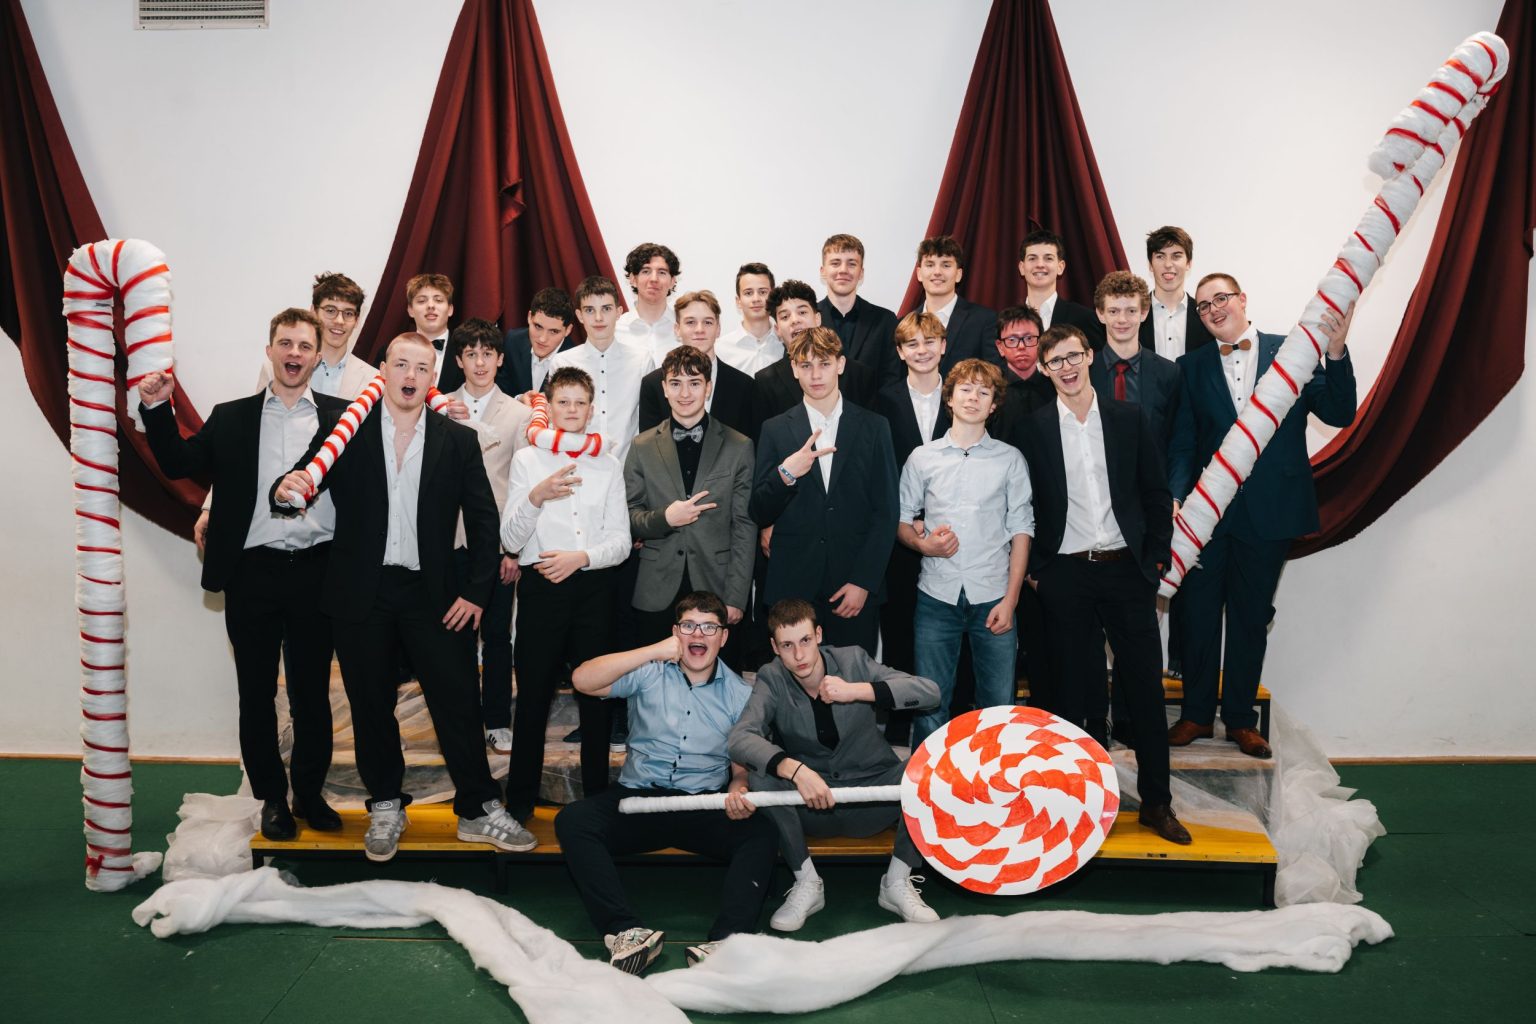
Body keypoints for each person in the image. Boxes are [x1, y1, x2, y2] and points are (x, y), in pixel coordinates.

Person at [272, 332, 523, 860]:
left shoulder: (457, 440)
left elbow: (485, 523)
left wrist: (476, 594)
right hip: (362, 592)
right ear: (383, 370)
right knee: (370, 705)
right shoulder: (345, 429)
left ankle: (478, 809)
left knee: (458, 701)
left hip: (435, 594)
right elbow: (304, 479)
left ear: (432, 379)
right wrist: (285, 488)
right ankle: (386, 805)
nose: (410, 375)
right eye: (401, 364)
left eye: (422, 367)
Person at [141, 308, 349, 841]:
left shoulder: (343, 418)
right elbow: (178, 462)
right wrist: (157, 406)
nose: (295, 353)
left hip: (316, 573)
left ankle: (308, 794)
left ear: (317, 356)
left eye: (305, 346)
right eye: (286, 343)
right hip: (251, 575)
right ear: (270, 350)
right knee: (256, 695)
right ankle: (271, 799)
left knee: (311, 695)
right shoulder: (231, 417)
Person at [1167, 274, 1357, 759]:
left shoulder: (1291, 352)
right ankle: (1195, 715)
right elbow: (1184, 441)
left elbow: (1339, 413)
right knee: (1197, 615)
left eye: (1221, 298)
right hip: (1208, 516)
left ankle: (1239, 720)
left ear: (1242, 300)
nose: (1213, 309)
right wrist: (1177, 498)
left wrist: (1336, 351)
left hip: (1270, 512)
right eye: (1204, 304)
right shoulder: (1190, 366)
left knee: (1250, 618)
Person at [1016, 324, 1190, 845]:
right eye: (1055, 361)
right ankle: (1082, 805)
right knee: (1073, 694)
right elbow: (1023, 503)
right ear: (1044, 370)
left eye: (1073, 356)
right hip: (1065, 574)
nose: (1066, 368)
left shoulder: (1127, 418)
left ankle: (1157, 803)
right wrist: (1039, 571)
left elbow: (1155, 493)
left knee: (1145, 690)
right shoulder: (1032, 429)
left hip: (1126, 570)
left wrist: (1154, 559)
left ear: (1090, 356)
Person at [556, 592, 777, 974]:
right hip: (639, 799)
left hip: (702, 804)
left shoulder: (741, 694)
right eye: (689, 625)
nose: (698, 634)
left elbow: (740, 766)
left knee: (762, 834)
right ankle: (625, 933)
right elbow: (582, 680)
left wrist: (738, 786)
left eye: (709, 627)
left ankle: (726, 944)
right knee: (573, 821)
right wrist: (653, 651)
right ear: (676, 632)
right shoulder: (650, 671)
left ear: (723, 637)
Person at [729, 598, 942, 931]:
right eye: (787, 645)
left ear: (818, 635)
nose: (799, 655)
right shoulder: (772, 677)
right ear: (775, 648)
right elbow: (740, 738)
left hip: (874, 798)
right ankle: (807, 883)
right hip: (815, 803)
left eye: (805, 640)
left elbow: (930, 693)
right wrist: (796, 770)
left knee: (929, 769)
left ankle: (896, 881)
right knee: (762, 775)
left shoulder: (852, 659)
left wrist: (858, 691)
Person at [499, 366, 632, 823]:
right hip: (541, 590)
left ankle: (596, 802)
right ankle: (519, 804)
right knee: (533, 698)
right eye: (563, 402)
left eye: (580, 402)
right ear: (550, 407)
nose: (572, 410)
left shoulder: (608, 464)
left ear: (591, 409)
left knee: (596, 700)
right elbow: (510, 540)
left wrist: (582, 557)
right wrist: (536, 497)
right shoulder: (527, 460)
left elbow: (620, 541)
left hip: (594, 589)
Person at [900, 359, 1033, 747]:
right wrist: (923, 544)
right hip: (936, 596)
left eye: (983, 391)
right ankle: (929, 782)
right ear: (950, 398)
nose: (973, 397)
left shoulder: (1010, 459)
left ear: (994, 405)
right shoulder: (922, 457)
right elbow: (901, 520)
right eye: (966, 389)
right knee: (930, 704)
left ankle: (994, 779)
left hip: (993, 596)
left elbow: (1022, 531)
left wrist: (1011, 601)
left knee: (998, 705)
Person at [751, 327, 898, 655]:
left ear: (840, 364)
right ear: (794, 369)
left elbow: (887, 511)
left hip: (853, 585)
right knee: (794, 683)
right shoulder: (775, 429)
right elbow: (758, 510)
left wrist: (864, 581)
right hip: (792, 587)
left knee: (852, 679)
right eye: (806, 365)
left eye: (824, 363)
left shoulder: (875, 426)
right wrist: (786, 473)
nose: (815, 375)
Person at [440, 318, 534, 753]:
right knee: (453, 636)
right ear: (459, 361)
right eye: (470, 354)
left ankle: (497, 720)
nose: (479, 362)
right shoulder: (439, 407)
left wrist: (513, 549)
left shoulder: (519, 414)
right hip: (449, 538)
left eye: (487, 354)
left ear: (499, 359)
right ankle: (460, 722)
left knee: (497, 635)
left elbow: (521, 485)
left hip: (497, 542)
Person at [626, 345, 756, 647]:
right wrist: (666, 518)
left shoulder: (739, 446)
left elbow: (744, 526)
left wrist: (736, 596)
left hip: (716, 586)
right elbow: (629, 516)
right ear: (664, 388)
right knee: (654, 672)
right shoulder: (641, 446)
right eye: (676, 383)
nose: (685, 393)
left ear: (708, 388)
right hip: (656, 589)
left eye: (694, 383)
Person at [877, 312, 952, 680]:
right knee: (899, 626)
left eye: (929, 341)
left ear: (943, 346)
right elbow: (879, 468)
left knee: (952, 629)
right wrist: (905, 519)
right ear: (900, 351)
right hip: (898, 534)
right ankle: (901, 706)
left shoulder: (962, 395)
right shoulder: (881, 401)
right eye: (912, 343)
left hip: (953, 530)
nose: (921, 350)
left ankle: (958, 706)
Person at [750, 280, 877, 434]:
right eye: (785, 316)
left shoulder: (859, 375)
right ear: (777, 330)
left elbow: (871, 433)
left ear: (817, 319)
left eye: (802, 312)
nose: (795, 320)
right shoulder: (766, 382)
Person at [550, 275, 653, 461]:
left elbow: (649, 424)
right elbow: (556, 423)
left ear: (619, 312)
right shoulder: (562, 362)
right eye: (590, 310)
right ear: (579, 315)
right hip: (576, 466)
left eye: (606, 309)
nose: (598, 318)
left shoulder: (641, 360)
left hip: (627, 469)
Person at [638, 290, 754, 438]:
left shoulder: (744, 386)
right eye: (690, 322)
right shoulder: (653, 385)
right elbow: (648, 445)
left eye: (708, 322)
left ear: (718, 329)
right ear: (677, 329)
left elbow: (747, 446)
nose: (700, 330)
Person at [438, 287, 576, 396]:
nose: (542, 339)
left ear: (568, 330)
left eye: (553, 331)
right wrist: (519, 399)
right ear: (529, 317)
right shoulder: (513, 341)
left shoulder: (576, 361)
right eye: (538, 327)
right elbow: (500, 388)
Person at [817, 233, 901, 388]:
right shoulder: (808, 321)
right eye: (835, 263)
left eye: (852, 264)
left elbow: (893, 381)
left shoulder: (885, 321)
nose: (843, 270)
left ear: (861, 273)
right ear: (823, 271)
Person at [908, 235, 1001, 373]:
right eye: (930, 265)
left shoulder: (985, 320)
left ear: (958, 274)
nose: (937, 272)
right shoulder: (903, 324)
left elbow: (995, 374)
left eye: (946, 265)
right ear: (919, 273)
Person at [1016, 229, 1103, 348]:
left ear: (1060, 267)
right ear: (1022, 268)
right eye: (1032, 258)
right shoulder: (1007, 321)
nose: (1040, 264)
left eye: (1048, 258)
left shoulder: (1084, 318)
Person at [1140, 225, 1214, 362]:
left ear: (1188, 263)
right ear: (1150, 265)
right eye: (1160, 256)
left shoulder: (1206, 314)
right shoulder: (1133, 315)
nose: (1168, 264)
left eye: (1176, 256)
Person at [616, 242, 682, 365]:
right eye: (646, 271)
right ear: (633, 279)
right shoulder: (615, 330)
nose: (654, 279)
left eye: (662, 272)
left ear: (672, 281)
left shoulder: (685, 329)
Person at [717, 262, 783, 375]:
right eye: (748, 293)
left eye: (763, 292)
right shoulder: (720, 349)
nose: (756, 299)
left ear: (772, 297)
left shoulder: (785, 344)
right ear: (738, 301)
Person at [404, 273, 455, 385]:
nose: (430, 306)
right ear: (410, 310)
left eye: (438, 300)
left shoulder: (467, 353)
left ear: (450, 309)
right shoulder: (389, 352)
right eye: (422, 301)